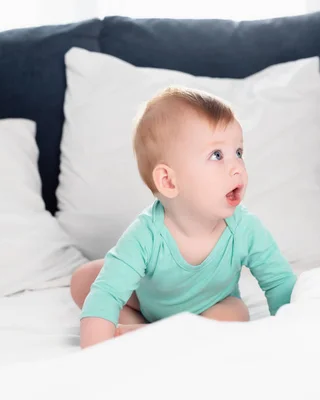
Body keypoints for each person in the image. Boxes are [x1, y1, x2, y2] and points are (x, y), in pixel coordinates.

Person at [70, 86, 297, 349]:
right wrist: (94, 353)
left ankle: (156, 336)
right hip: (149, 303)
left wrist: (295, 330)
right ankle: (150, 331)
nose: (237, 167)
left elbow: (280, 281)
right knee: (85, 280)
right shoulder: (145, 234)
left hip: (211, 308)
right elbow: (107, 293)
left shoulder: (245, 229)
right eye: (216, 155)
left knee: (234, 313)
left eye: (238, 152)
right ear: (168, 181)